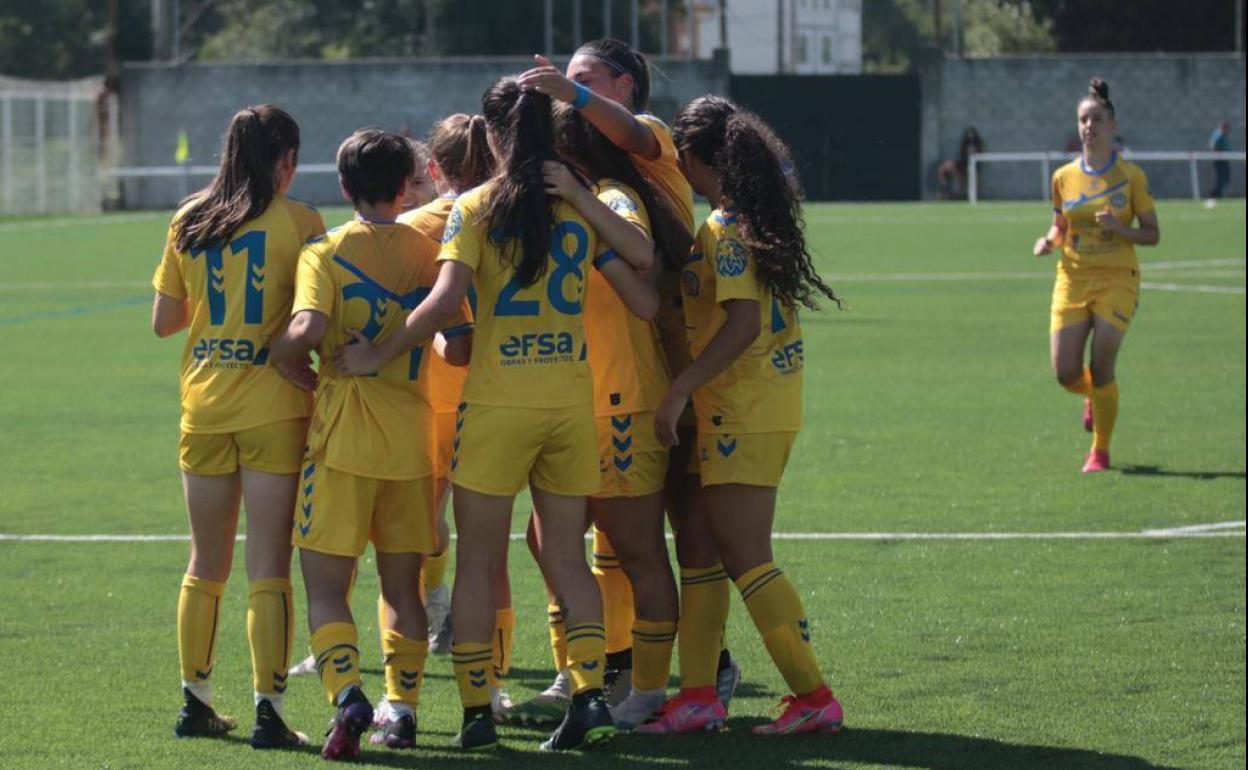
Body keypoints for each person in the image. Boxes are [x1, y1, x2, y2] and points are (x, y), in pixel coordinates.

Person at [335, 77, 653, 752]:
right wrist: (580, 198)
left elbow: (445, 301)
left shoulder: (475, 207)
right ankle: (591, 696)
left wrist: (381, 351)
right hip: (570, 405)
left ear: (489, 133)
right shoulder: (578, 205)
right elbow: (646, 278)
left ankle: (478, 711)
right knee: (568, 558)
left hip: (499, 406)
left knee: (478, 560)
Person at [516, 35, 742, 721]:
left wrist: (569, 95)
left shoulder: (647, 139)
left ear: (622, 84)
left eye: (584, 79)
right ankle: (605, 667)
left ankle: (694, 673)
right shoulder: (592, 173)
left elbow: (641, 266)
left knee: (674, 535)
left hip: (670, 363)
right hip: (625, 365)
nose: (565, 88)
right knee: (586, 536)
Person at [638, 95, 845, 736]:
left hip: (742, 409)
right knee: (698, 552)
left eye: (683, 158)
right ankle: (697, 695)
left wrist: (679, 390)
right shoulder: (752, 218)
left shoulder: (727, 229)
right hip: (754, 405)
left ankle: (813, 696)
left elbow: (744, 324)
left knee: (747, 556)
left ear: (700, 160)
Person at [270, 128, 472, 761]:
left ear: (344, 186)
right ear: (406, 180)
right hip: (411, 445)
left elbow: (307, 329)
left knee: (326, 588)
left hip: (342, 444)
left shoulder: (324, 250)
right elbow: (457, 344)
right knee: (404, 590)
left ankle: (349, 697)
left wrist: (279, 356)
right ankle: (404, 709)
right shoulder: (432, 251)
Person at [151, 104, 322, 749]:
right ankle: (271, 713)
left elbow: (165, 321)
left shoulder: (189, 217)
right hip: (274, 406)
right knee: (269, 563)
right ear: (284, 162)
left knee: (206, 562)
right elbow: (315, 315)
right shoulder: (302, 221)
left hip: (205, 405)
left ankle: (195, 701)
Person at [534, 104, 681, 730]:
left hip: (621, 400)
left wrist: (574, 194)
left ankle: (647, 687)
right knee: (547, 541)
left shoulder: (613, 195)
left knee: (640, 552)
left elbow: (643, 263)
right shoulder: (564, 206)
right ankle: (583, 670)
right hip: (575, 400)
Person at [1033, 78, 1160, 473]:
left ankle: (1099, 452)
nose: (1088, 126)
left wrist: (1121, 229)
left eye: (1096, 119)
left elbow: (1153, 234)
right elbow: (1060, 225)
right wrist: (1049, 241)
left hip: (1117, 278)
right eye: (1083, 120)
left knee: (1103, 364)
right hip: (1072, 279)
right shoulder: (1063, 178)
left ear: (1112, 125)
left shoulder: (1130, 177)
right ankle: (1095, 396)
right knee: (1066, 373)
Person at [937, 126, 983, 200]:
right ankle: (944, 187)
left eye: (971, 133)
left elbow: (979, 155)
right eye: (969, 133)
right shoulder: (964, 143)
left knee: (965, 180)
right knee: (943, 167)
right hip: (962, 163)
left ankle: (966, 195)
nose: (970, 135)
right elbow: (962, 155)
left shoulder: (977, 143)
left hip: (972, 166)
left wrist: (973, 151)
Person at [1208, 120, 1232, 200]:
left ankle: (1216, 194)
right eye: (1226, 129)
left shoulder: (1224, 135)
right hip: (1219, 160)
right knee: (1221, 178)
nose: (1227, 131)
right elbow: (1212, 145)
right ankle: (1215, 195)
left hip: (1224, 160)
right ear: (1222, 128)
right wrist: (1217, 153)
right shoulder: (1218, 135)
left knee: (1225, 179)